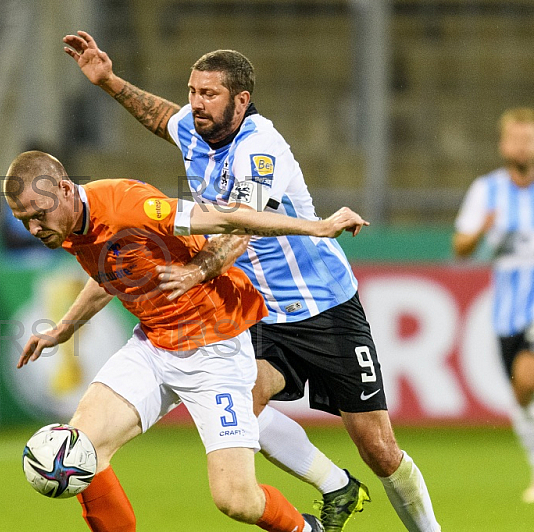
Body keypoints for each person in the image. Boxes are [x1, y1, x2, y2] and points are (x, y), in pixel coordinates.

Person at [63, 31, 441, 532]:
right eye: (193, 92)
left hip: (324, 307)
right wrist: (108, 81)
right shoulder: (196, 128)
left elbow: (239, 227)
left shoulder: (261, 150)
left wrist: (198, 270)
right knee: (241, 413)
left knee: (378, 447)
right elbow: (160, 117)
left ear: (241, 100)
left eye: (209, 95)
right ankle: (335, 485)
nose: (196, 104)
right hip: (258, 309)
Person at [6, 150, 368, 531]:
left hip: (215, 350)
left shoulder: (129, 205)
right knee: (79, 453)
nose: (33, 229)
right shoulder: (67, 226)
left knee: (236, 500)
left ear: (64, 189)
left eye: (38, 215)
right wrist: (64, 328)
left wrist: (316, 227)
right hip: (153, 347)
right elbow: (107, 272)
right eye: (23, 220)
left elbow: (229, 221)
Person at [453, 107, 534, 503]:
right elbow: (460, 247)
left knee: (530, 375)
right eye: (516, 138)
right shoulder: (487, 190)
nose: (522, 145)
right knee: (522, 394)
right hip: (509, 310)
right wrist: (482, 230)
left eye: (529, 138)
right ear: (504, 144)